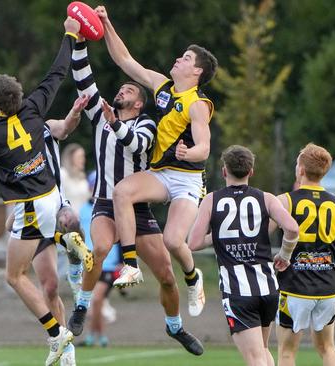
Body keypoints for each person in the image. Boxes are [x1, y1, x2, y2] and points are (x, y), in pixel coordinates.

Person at [66, 36, 203, 355]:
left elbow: (136, 145)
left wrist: (116, 124)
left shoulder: (148, 125)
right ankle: (81, 308)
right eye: (120, 90)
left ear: (140, 103)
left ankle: (175, 327)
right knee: (99, 247)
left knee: (168, 276)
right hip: (104, 203)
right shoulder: (101, 115)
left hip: (137, 211)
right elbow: (82, 75)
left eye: (128, 91)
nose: (120, 92)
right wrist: (79, 40)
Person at [0, 17, 82, 366]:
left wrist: (3, 155)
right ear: (19, 95)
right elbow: (56, 73)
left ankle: (56, 334)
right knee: (30, 251)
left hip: (30, 205)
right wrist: (70, 34)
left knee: (14, 276)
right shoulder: (35, 108)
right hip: (51, 195)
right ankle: (68, 243)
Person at [95, 6, 218, 318]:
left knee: (174, 241)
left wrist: (189, 153)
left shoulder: (198, 105)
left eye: (187, 59)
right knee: (122, 192)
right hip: (161, 174)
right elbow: (125, 60)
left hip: (188, 180)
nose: (179, 59)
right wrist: (106, 23)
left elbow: (204, 147)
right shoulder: (163, 87)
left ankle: (193, 277)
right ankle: (131, 265)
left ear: (197, 72)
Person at [188, 145, 300, 366]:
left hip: (238, 291)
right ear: (251, 172)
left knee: (255, 358)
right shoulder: (266, 198)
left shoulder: (211, 200)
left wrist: (218, 236)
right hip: (268, 288)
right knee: (263, 351)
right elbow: (292, 228)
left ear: (224, 171)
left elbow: (193, 242)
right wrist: (285, 255)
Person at [272, 143, 335, 366]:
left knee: (287, 352)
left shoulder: (285, 201)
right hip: (326, 286)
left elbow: (263, 230)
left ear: (301, 170)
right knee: (327, 348)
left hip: (294, 286)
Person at [61, 143, 92, 216]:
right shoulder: (62, 174)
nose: (83, 160)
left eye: (83, 156)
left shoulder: (83, 178)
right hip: (67, 220)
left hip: (83, 221)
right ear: (70, 158)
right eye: (79, 157)